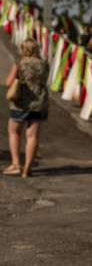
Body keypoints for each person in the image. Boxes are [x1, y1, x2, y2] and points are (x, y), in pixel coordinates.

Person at [3, 39, 50, 178]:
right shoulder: (44, 65)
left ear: (24, 50)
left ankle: (16, 164)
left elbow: (8, 82)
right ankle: (27, 169)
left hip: (20, 103)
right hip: (40, 103)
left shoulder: (20, 63)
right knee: (33, 136)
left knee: (14, 132)